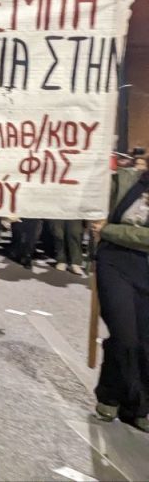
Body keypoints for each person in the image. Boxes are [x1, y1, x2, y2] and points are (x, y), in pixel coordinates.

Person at [90, 164, 149, 432]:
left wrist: (109, 230)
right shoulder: (126, 179)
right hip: (114, 262)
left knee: (145, 343)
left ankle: (136, 405)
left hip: (144, 266)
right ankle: (111, 397)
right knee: (125, 335)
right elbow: (92, 197)